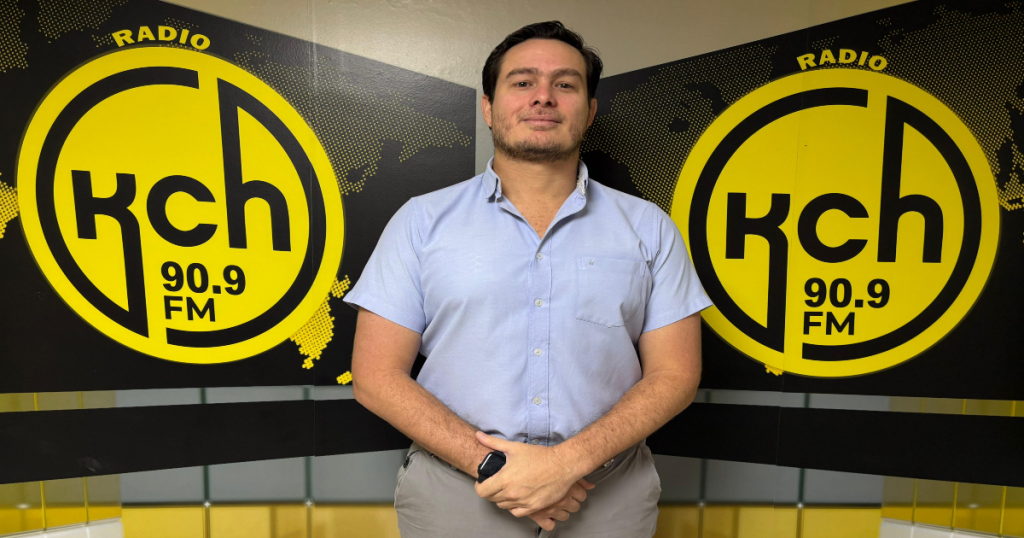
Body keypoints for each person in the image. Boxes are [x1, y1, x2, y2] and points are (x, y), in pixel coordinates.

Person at [343, 20, 710, 537]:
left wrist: (566, 464)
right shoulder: (420, 222)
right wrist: (496, 468)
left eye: (565, 84)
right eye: (522, 82)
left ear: (589, 110)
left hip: (607, 493)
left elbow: (675, 375)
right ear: (489, 107)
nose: (543, 97)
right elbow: (376, 376)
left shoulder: (648, 227)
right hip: (458, 495)